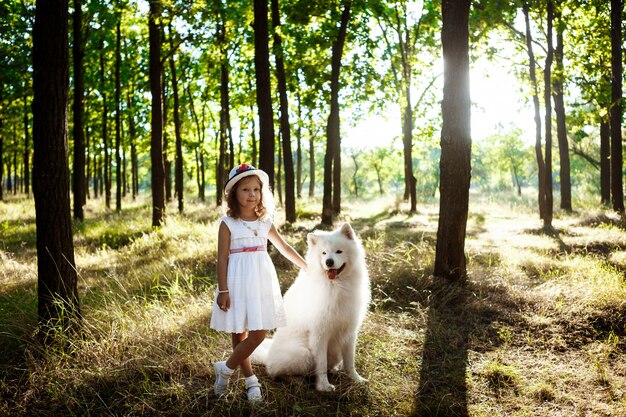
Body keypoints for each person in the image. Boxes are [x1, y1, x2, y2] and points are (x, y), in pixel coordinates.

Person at [210, 163, 307, 402]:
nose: (252, 194)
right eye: (245, 189)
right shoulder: (227, 223)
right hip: (237, 281)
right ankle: (250, 380)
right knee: (239, 330)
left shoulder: (265, 221)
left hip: (261, 279)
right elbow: (222, 258)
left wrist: (307, 265)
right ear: (234, 194)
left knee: (259, 333)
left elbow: (284, 247)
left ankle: (225, 369)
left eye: (256, 189)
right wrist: (223, 290)